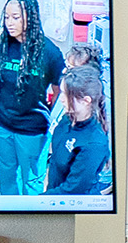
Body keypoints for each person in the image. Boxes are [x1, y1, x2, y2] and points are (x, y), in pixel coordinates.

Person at [0, 0, 64, 195]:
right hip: (2, 125)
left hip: (32, 129)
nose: (9, 23)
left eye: (15, 18)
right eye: (6, 17)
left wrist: (41, 111)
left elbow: (57, 91)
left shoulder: (51, 52)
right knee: (7, 177)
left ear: (29, 17)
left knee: (31, 182)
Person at [45, 66, 111, 195]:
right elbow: (55, 165)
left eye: (66, 94)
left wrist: (38, 203)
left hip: (73, 207)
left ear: (86, 101)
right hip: (54, 197)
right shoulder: (66, 120)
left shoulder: (94, 143)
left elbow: (73, 190)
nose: (61, 99)